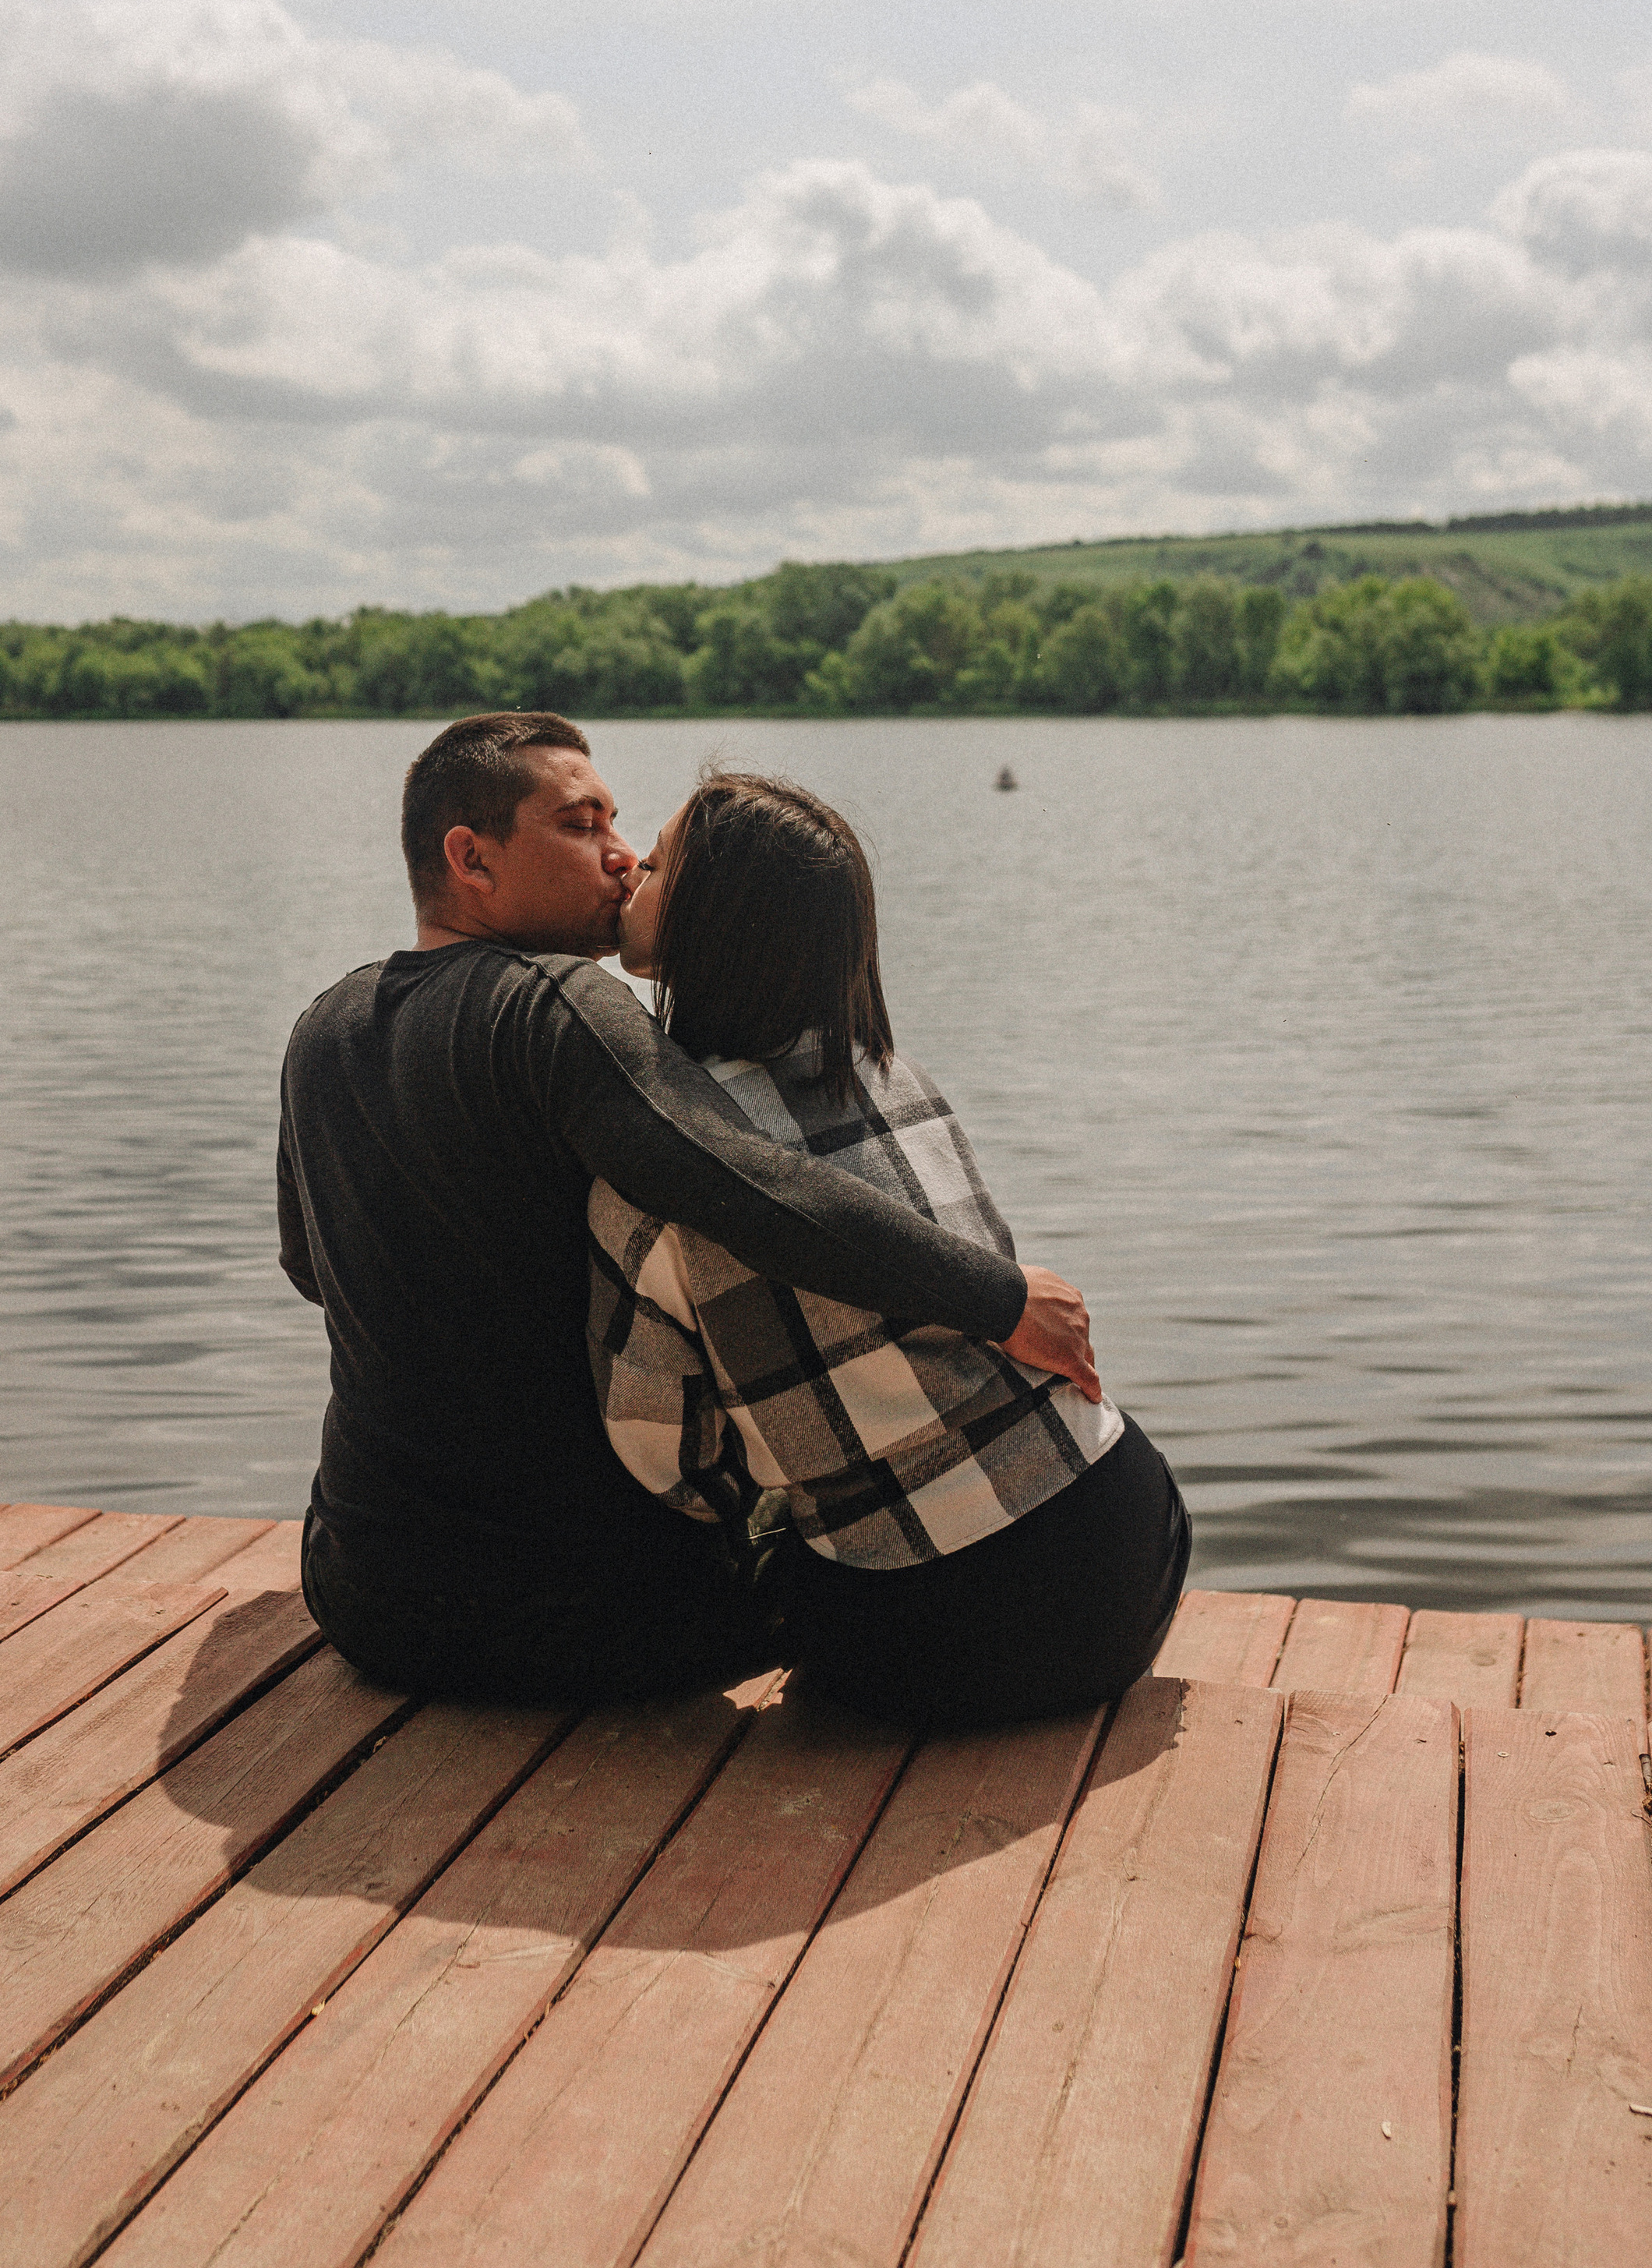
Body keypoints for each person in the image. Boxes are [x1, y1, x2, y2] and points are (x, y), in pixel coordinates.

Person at [277, 711, 1100, 1709]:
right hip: (599, 1622)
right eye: (583, 825)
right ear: (471, 858)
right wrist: (998, 1293)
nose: (622, 858)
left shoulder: (323, 1027)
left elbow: (309, 1269)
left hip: (359, 1594)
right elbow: (742, 1182)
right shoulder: (553, 1001)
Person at [588, 771, 1191, 1729]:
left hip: (946, 1631)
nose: (628, 870)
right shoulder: (891, 1071)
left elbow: (658, 1447)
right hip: (1130, 1539)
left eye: (656, 862)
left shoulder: (660, 1168)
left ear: (713, 917)